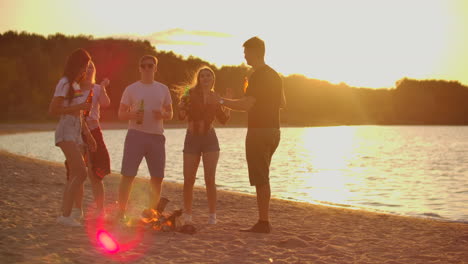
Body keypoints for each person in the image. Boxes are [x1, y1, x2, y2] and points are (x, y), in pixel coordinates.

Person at [213, 36, 286, 233]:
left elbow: (247, 105)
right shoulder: (274, 75)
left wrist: (220, 101)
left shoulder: (259, 76)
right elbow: (282, 103)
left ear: (255, 52)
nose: (244, 55)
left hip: (259, 131)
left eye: (246, 52)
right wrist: (253, 95)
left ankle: (263, 222)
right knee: (264, 175)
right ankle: (264, 221)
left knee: (261, 178)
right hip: (274, 131)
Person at [117, 55, 173, 222]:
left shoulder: (163, 89)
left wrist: (163, 114)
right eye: (144, 66)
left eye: (151, 66)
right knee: (128, 175)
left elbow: (170, 113)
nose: (147, 68)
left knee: (157, 177)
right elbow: (120, 114)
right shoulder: (131, 89)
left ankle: (152, 213)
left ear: (156, 68)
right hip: (136, 135)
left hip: (157, 136)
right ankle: (121, 213)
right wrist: (132, 114)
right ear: (139, 68)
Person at [48, 48, 97, 227]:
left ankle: (64, 214)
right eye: (84, 66)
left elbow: (79, 114)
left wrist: (89, 136)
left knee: (75, 174)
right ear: (77, 65)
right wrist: (77, 108)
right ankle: (66, 215)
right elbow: (53, 110)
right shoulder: (65, 83)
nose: (85, 70)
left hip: (76, 133)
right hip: (65, 131)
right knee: (81, 171)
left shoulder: (75, 85)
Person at [178, 67, 230, 225]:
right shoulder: (190, 93)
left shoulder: (216, 96)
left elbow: (224, 120)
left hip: (210, 139)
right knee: (188, 179)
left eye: (209, 76)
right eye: (202, 76)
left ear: (213, 79)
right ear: (199, 78)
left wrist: (226, 103)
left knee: (210, 178)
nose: (205, 78)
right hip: (192, 138)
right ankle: (187, 215)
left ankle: (212, 216)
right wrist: (181, 106)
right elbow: (181, 117)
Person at [70, 61, 111, 218]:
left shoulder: (97, 89)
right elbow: (78, 106)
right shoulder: (76, 88)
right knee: (78, 172)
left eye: (91, 68)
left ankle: (100, 210)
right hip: (78, 131)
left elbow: (106, 104)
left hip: (94, 130)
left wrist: (103, 88)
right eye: (86, 68)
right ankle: (77, 210)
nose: (88, 71)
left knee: (95, 173)